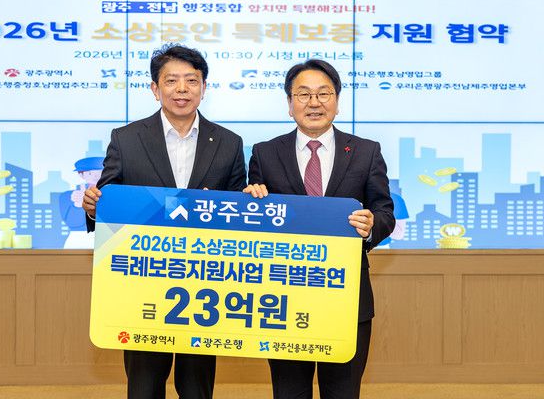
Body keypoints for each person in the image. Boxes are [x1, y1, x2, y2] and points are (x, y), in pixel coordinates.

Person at [82, 44, 247, 399]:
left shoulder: (230, 143)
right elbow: (110, 200)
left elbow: (237, 213)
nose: (182, 89)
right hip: (144, 282)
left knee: (196, 387)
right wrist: (94, 207)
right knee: (144, 386)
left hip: (204, 288)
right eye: (171, 81)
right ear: (155, 89)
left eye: (191, 80)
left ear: (204, 87)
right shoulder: (126, 139)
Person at [244, 59, 395, 399]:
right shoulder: (265, 153)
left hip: (346, 297)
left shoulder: (366, 152)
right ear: (290, 103)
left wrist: (372, 226)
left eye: (323, 93)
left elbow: (385, 211)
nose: (314, 103)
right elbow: (256, 218)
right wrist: (251, 201)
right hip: (283, 297)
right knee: (289, 392)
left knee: (342, 392)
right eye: (303, 94)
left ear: (337, 101)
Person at [58, 156, 104, 248]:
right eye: (90, 173)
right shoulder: (67, 196)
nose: (96, 176)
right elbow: (73, 224)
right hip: (78, 240)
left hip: (107, 239)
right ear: (81, 175)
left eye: (100, 172)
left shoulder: (112, 193)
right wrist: (77, 205)